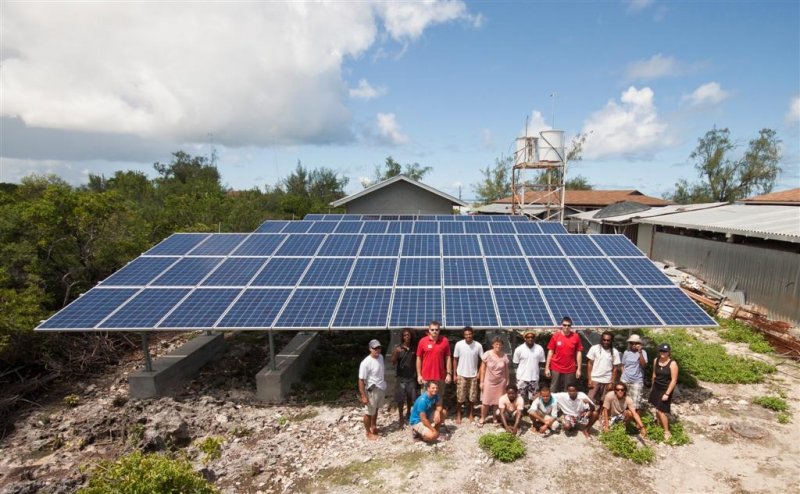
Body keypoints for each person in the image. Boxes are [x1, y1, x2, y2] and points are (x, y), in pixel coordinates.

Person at [453, 326, 483, 424]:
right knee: (460, 397)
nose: (468, 336)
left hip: (473, 375)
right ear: (464, 335)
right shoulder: (459, 344)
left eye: (469, 334)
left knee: (472, 397)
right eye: (466, 334)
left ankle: (470, 413)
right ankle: (459, 414)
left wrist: (479, 372)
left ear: (472, 334)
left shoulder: (478, 345)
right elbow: (455, 359)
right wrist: (454, 374)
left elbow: (483, 360)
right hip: (461, 374)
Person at [545, 316, 583, 393]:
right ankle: (553, 404)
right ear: (561, 325)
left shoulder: (576, 337)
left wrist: (579, 369)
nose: (566, 327)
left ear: (571, 326)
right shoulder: (556, 336)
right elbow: (550, 352)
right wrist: (547, 368)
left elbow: (579, 352)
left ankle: (565, 405)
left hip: (570, 368)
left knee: (568, 390)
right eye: (564, 325)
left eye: (568, 325)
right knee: (554, 388)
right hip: (556, 366)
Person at [649, 343, 679, 441]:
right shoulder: (656, 360)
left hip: (665, 389)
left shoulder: (673, 364)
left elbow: (674, 380)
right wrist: (652, 386)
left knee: (661, 411)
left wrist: (667, 393)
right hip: (656, 387)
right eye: (661, 351)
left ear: (669, 352)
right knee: (656, 407)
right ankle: (658, 425)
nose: (663, 353)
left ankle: (667, 431)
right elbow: (654, 374)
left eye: (665, 351)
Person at [416, 320, 452, 401]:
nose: (434, 331)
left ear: (439, 330)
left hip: (440, 377)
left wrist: (449, 374)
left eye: (436, 329)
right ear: (429, 330)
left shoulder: (444, 341)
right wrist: (419, 375)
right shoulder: (422, 341)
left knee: (439, 400)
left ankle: (436, 414)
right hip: (426, 377)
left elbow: (448, 357)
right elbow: (418, 358)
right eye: (432, 329)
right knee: (425, 400)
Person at [358, 339, 386, 440]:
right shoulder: (365, 363)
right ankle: (368, 432)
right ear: (370, 349)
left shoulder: (381, 357)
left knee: (376, 409)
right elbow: (361, 380)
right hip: (371, 390)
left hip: (380, 388)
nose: (377, 350)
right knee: (369, 412)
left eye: (379, 348)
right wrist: (363, 396)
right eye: (375, 348)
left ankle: (373, 426)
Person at [478, 337, 509, 427]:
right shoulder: (487, 354)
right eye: (496, 344)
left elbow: (506, 370)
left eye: (500, 344)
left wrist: (507, 381)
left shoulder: (504, 356)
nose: (498, 346)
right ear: (493, 345)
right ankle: (482, 418)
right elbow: (482, 369)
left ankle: (495, 418)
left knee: (497, 402)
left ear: (502, 345)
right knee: (485, 401)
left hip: (501, 382)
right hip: (488, 381)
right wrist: (481, 382)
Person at [390, 328, 417, 427]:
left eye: (408, 335)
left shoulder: (414, 348)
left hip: (411, 377)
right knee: (400, 399)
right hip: (401, 377)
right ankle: (401, 418)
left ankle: (409, 412)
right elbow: (392, 362)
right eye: (405, 335)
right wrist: (396, 353)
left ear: (411, 336)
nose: (407, 337)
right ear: (402, 337)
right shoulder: (398, 348)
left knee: (411, 397)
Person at [586, 331, 621, 406]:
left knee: (604, 401)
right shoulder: (594, 348)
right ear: (601, 339)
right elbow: (589, 364)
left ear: (611, 341)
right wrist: (589, 379)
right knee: (590, 399)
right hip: (595, 379)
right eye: (604, 340)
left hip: (607, 380)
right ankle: (589, 415)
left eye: (608, 340)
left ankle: (601, 416)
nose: (606, 342)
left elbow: (615, 368)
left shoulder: (615, 352)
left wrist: (612, 382)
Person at [512, 330, 546, 407]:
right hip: (521, 378)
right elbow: (516, 363)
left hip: (534, 377)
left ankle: (531, 412)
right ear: (524, 338)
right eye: (528, 337)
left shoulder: (539, 348)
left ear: (534, 338)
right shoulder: (519, 349)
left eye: (532, 337)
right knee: (520, 397)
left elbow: (541, 362)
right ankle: (520, 411)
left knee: (534, 397)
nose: (530, 339)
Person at [620, 334, 648, 411]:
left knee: (636, 403)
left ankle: (636, 420)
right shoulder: (626, 352)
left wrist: (640, 353)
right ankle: (624, 418)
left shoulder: (643, 352)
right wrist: (623, 375)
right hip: (625, 379)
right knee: (623, 400)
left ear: (640, 344)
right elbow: (622, 365)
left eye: (636, 343)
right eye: (631, 343)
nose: (633, 345)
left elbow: (644, 365)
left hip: (637, 381)